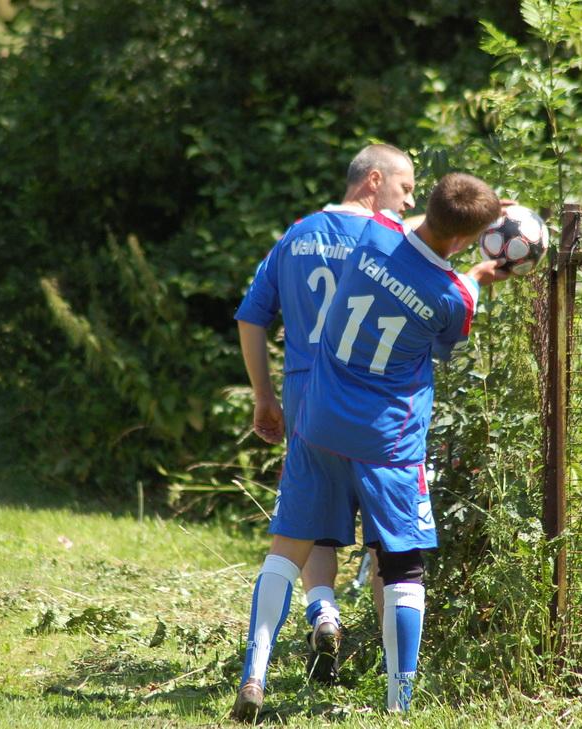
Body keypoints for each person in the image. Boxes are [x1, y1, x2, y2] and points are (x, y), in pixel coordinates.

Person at [232, 172, 509, 721]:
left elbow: (411, 229)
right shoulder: (452, 296)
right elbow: (450, 329)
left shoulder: (374, 234)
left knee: (286, 551)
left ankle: (254, 675)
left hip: (318, 424)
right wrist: (478, 273)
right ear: (465, 240)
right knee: (402, 566)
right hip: (388, 443)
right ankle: (398, 705)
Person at [234, 143, 415, 685]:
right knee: (388, 539)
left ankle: (322, 611)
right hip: (372, 399)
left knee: (308, 524)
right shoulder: (390, 240)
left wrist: (264, 396)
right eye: (405, 188)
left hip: (306, 396)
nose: (409, 201)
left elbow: (251, 316)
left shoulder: (296, 235)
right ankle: (393, 679)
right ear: (374, 180)